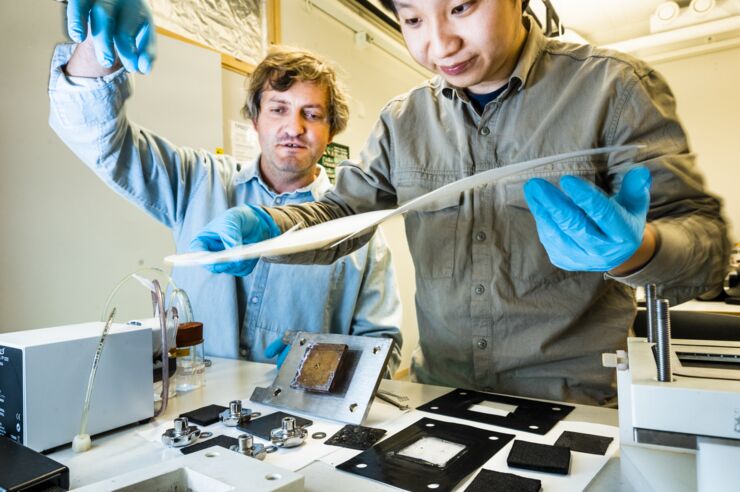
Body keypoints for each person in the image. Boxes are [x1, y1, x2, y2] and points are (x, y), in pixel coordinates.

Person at [68, 0, 729, 405]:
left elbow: (707, 255)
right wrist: (269, 225)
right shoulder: (402, 122)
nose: (436, 45)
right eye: (411, 18)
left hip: (572, 397)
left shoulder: (611, 89)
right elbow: (344, 216)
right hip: (442, 391)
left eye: (462, 7)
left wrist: (641, 251)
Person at [48, 4, 403, 370]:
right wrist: (96, 49)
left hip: (300, 414)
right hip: (191, 403)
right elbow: (97, 139)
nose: (294, 128)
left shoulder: (360, 232)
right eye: (278, 109)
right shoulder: (196, 180)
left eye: (311, 114)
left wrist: (329, 367)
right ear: (255, 120)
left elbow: (382, 344)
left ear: (332, 130)